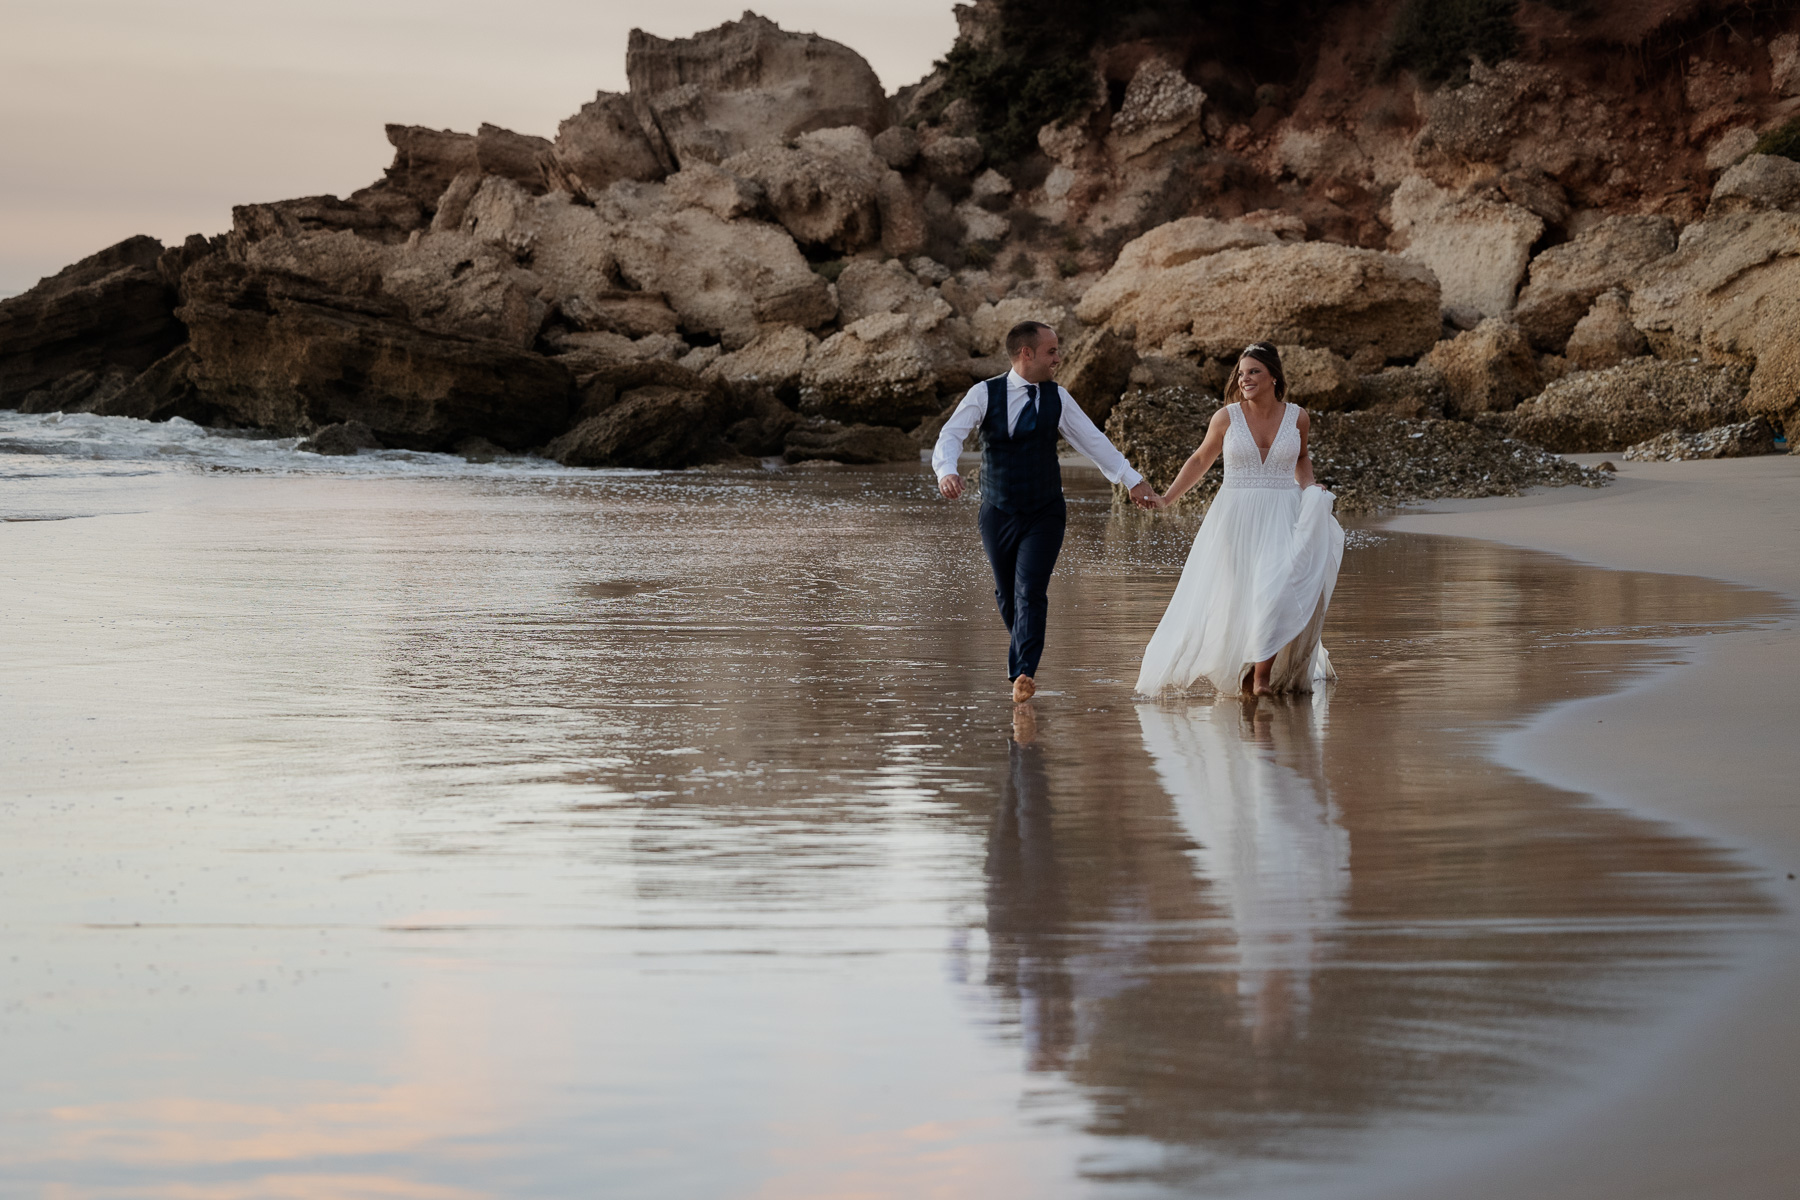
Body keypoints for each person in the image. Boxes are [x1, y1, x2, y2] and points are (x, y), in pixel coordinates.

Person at [936, 321, 1160, 702]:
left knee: (1031, 590)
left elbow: (1092, 441)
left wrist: (1131, 479)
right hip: (997, 509)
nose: (1058, 357)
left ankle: (1024, 673)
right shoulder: (984, 394)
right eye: (1052, 351)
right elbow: (950, 435)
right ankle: (1021, 657)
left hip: (1045, 510)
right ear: (1027, 353)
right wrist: (947, 471)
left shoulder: (1058, 398)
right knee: (1007, 594)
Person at [1135, 341, 1343, 697]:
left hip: (1284, 510)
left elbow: (1302, 458)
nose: (1244, 379)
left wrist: (1310, 488)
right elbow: (1201, 460)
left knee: (1275, 590)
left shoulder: (1298, 416)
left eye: (1254, 372)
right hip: (1235, 516)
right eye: (1241, 373)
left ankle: (1259, 677)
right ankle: (1243, 672)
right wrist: (1167, 497)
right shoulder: (1226, 417)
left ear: (1274, 376)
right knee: (1240, 596)